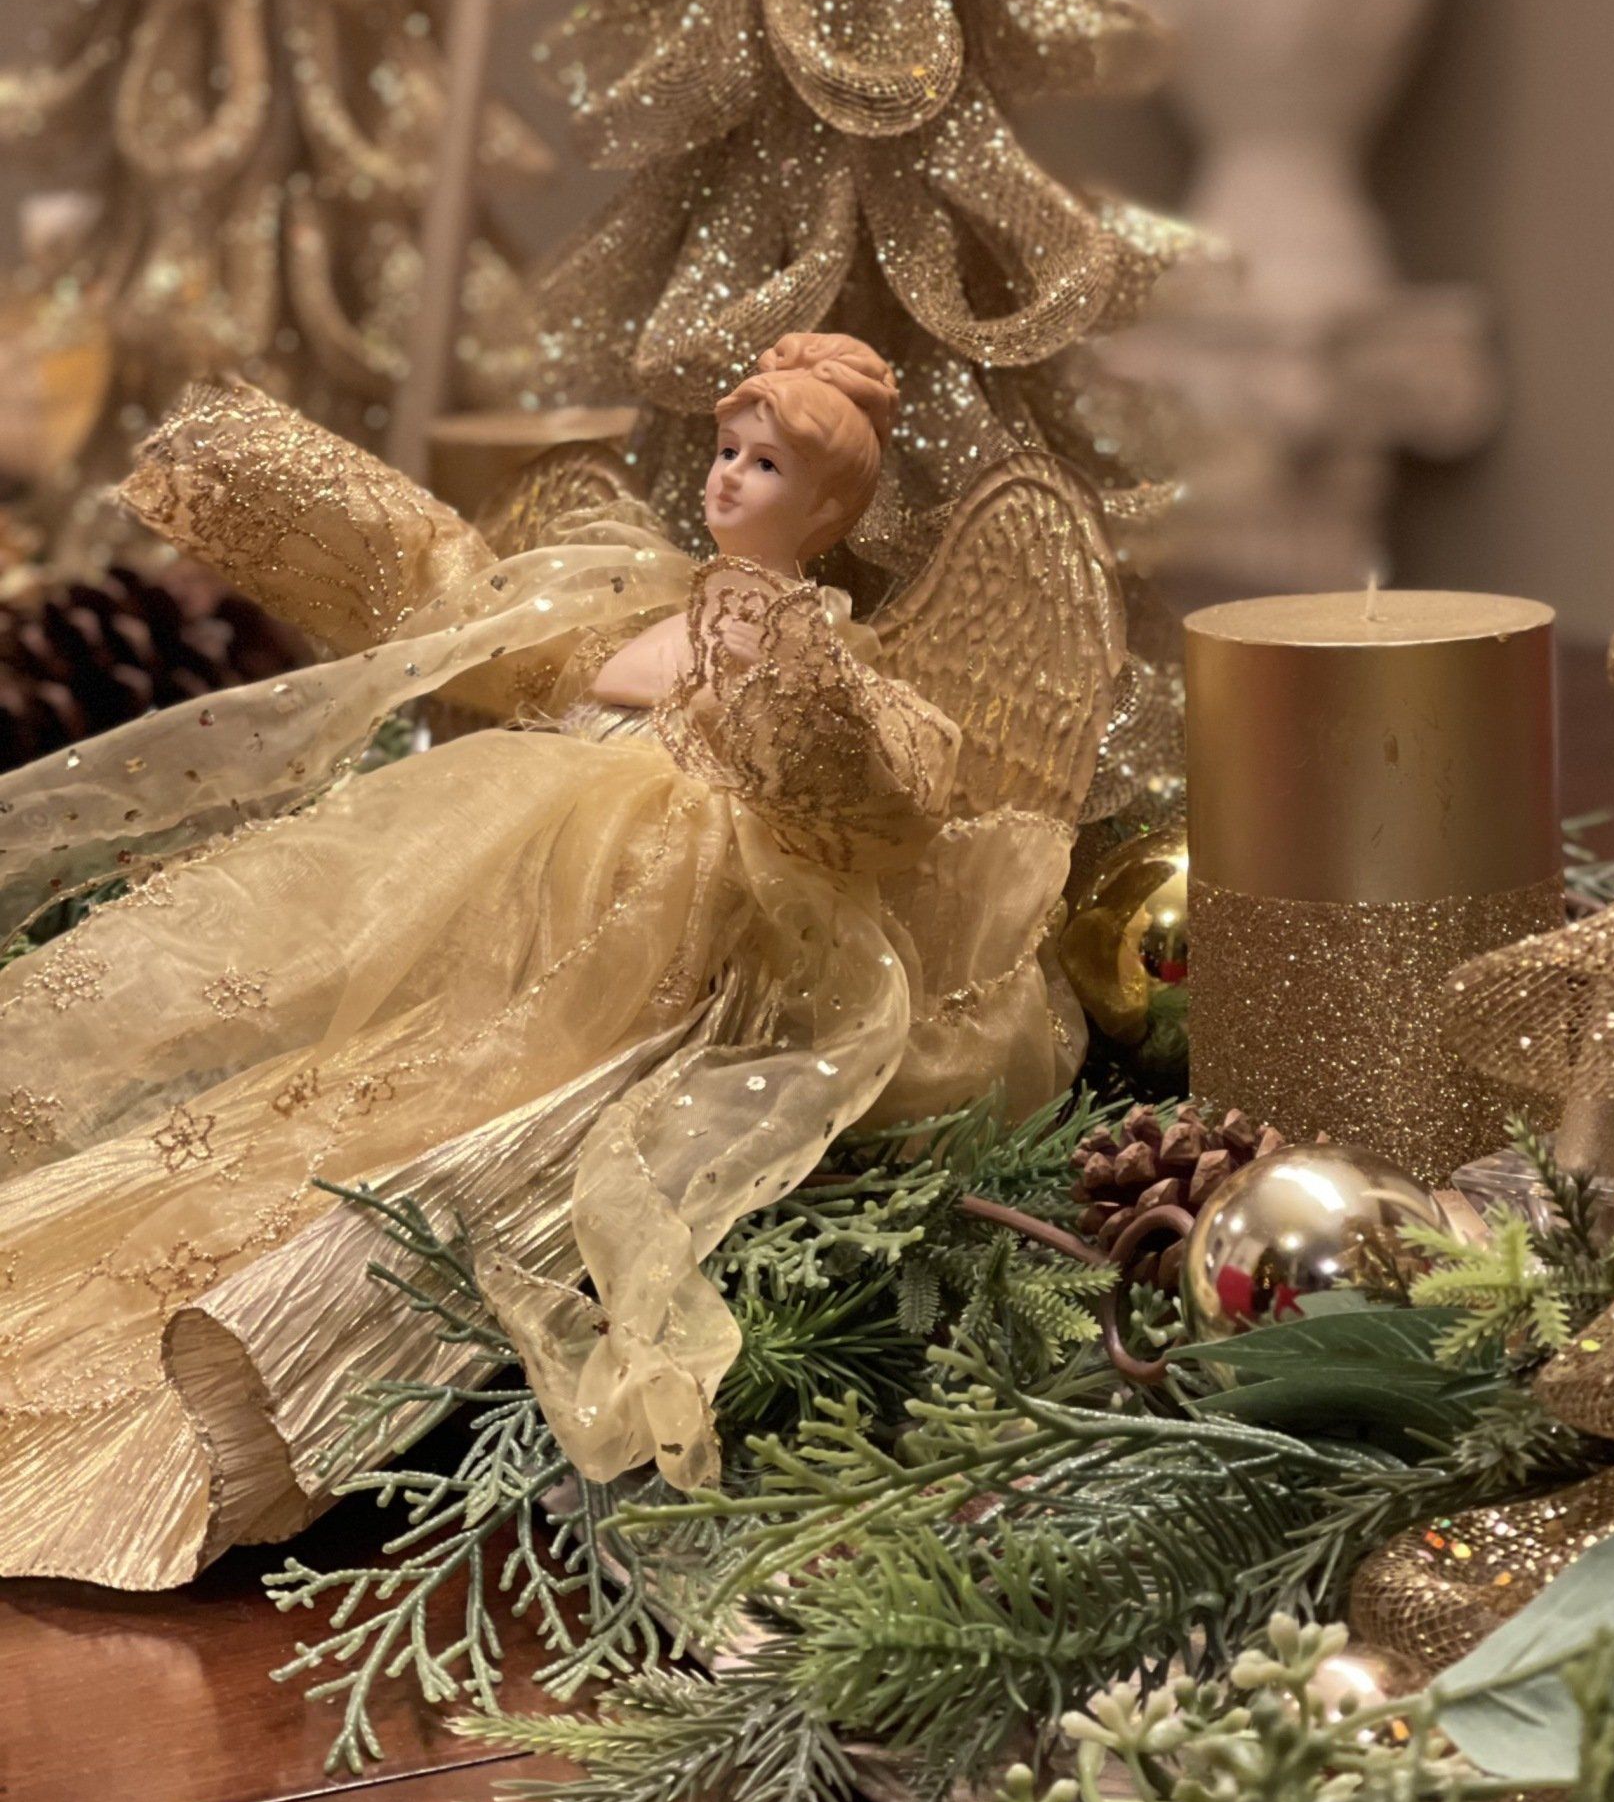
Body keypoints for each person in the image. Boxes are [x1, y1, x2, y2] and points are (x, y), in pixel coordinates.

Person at [0, 332, 966, 1590]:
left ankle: (257, 1364)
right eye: (728, 450)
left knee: (443, 1106)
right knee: (324, 1046)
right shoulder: (651, 594)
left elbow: (872, 786)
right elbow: (497, 617)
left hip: (642, 939)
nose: (730, 477)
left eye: (767, 464)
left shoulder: (823, 670)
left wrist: (757, 691)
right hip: (525, 893)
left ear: (829, 509)